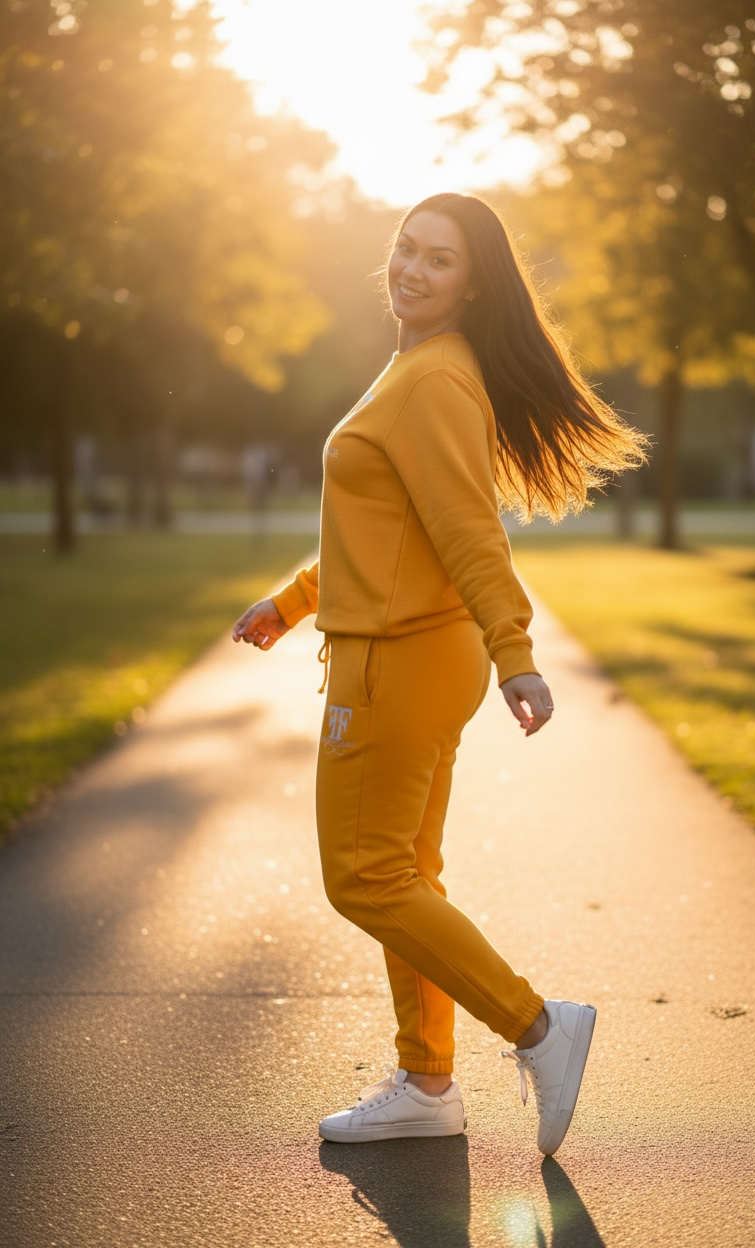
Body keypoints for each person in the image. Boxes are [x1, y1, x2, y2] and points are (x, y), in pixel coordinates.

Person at [232, 193, 646, 1154]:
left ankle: (538, 1026)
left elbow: (466, 526)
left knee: (363, 878)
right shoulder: (420, 368)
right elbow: (395, 529)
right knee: (405, 872)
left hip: (400, 663)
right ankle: (426, 1081)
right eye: (405, 249)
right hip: (408, 646)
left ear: (473, 284)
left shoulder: (430, 381)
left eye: (439, 260)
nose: (411, 269)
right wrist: (293, 602)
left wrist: (519, 655)